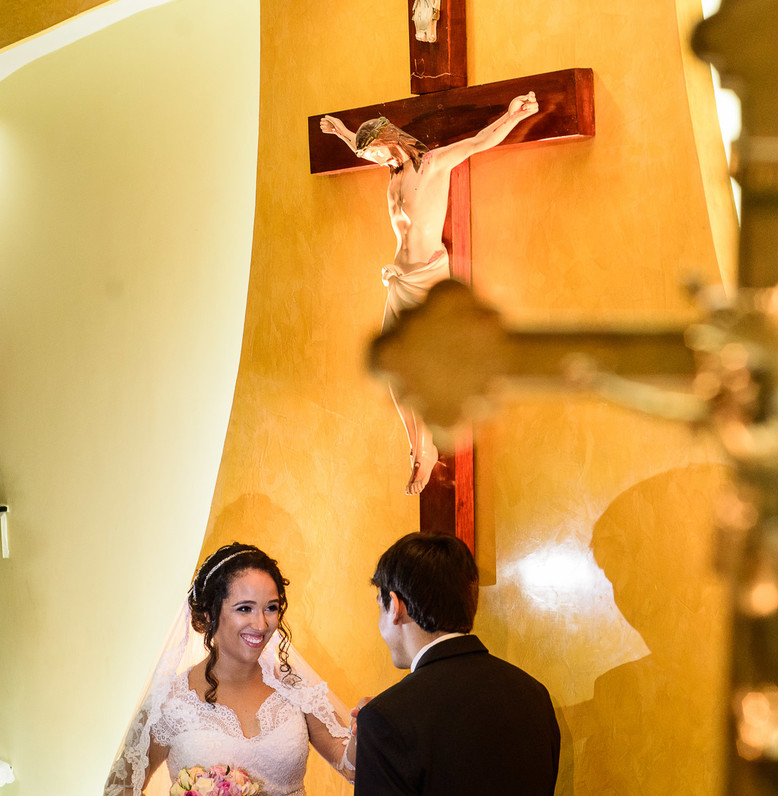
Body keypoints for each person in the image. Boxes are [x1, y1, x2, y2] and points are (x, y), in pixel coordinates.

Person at [320, 93, 539, 495]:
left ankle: (430, 444)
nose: (376, 159)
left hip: (428, 279)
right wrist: (341, 131)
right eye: (373, 155)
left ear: (393, 140)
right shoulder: (392, 171)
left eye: (380, 151)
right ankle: (418, 447)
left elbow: (479, 141)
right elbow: (359, 147)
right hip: (400, 281)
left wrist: (512, 113)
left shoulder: (435, 164)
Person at [105, 543, 356, 795]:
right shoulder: (170, 702)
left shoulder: (294, 686)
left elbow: (351, 768)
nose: (261, 624)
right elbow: (120, 786)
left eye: (271, 608)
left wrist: (361, 730)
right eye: (244, 608)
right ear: (208, 614)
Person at [354, 533, 560, 795]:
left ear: (395, 606)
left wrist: (381, 719)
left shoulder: (386, 721)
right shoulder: (534, 694)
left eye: (379, 606)